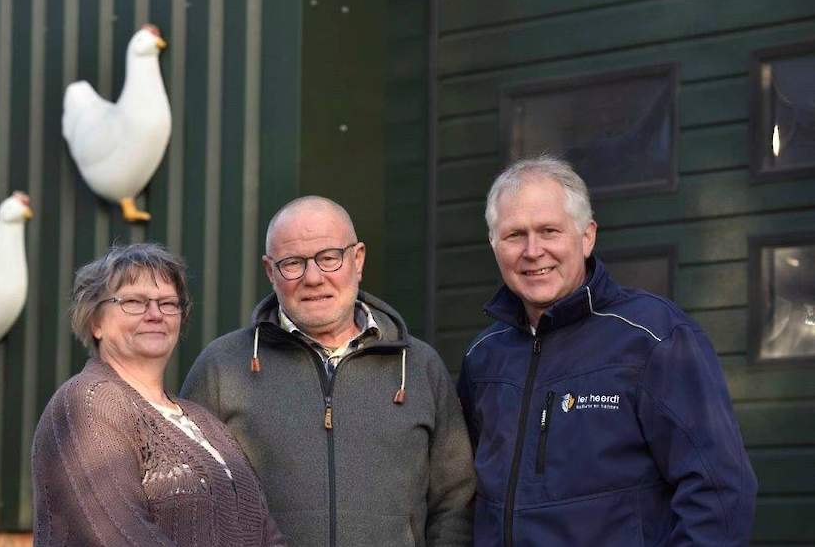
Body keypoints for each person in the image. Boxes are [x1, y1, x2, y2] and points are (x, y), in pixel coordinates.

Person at [457, 157, 757, 546]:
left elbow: (719, 491)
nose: (533, 251)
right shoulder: (483, 356)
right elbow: (463, 497)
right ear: (494, 245)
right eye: (515, 235)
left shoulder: (653, 337)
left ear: (587, 237)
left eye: (550, 230)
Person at [181, 196, 475, 546]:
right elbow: (190, 502)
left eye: (329, 258)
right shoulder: (222, 367)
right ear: (270, 271)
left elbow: (455, 504)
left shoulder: (420, 367)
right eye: (292, 263)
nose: (314, 278)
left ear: (358, 259)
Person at [32, 243, 285, 547]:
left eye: (167, 303)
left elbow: (264, 530)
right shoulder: (87, 403)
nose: (155, 314)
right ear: (95, 321)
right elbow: (119, 535)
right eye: (134, 302)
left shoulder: (205, 422)